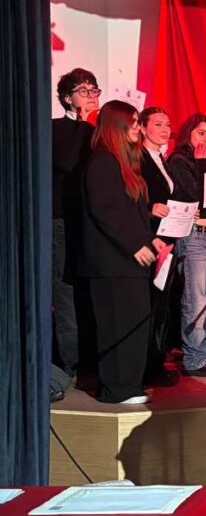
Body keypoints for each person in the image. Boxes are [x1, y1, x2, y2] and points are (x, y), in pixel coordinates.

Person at [80, 101, 166, 404]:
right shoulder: (103, 161)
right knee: (118, 326)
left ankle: (128, 385)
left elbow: (131, 213)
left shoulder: (124, 163)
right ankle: (116, 388)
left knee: (133, 324)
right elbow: (105, 211)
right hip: (112, 262)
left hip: (128, 263)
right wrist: (134, 245)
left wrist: (150, 239)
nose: (138, 128)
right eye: (134, 122)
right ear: (117, 125)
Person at [52, 68, 100, 379]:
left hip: (92, 223)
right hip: (62, 222)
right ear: (68, 98)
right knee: (67, 292)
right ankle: (73, 363)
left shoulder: (99, 131)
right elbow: (68, 161)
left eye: (94, 90)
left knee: (91, 291)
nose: (91, 95)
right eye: (83, 90)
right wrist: (83, 121)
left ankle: (93, 358)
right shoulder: (57, 128)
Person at [166, 113, 206, 376]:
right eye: (201, 133)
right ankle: (194, 356)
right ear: (188, 132)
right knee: (196, 297)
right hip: (193, 234)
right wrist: (201, 164)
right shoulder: (179, 160)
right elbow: (197, 195)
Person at [138, 106, 179, 384]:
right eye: (158, 124)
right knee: (149, 303)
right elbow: (129, 196)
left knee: (162, 303)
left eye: (167, 125)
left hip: (168, 238)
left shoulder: (162, 159)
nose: (165, 129)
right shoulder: (137, 157)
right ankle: (145, 366)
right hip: (148, 238)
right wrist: (149, 208)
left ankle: (156, 361)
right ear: (142, 127)